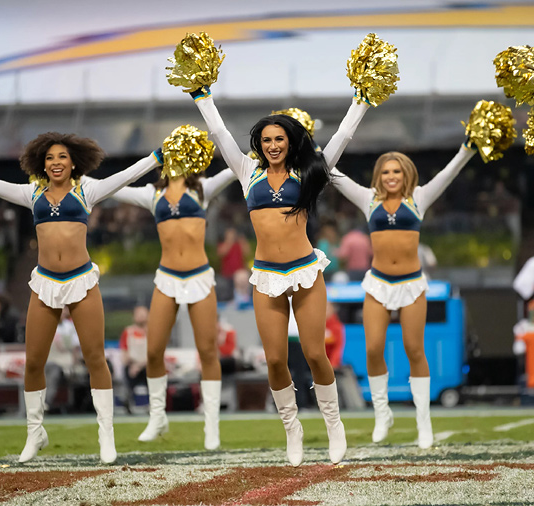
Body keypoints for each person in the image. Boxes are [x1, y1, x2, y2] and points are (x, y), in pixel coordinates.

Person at [0, 131, 163, 464]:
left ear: (73, 161)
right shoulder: (32, 193)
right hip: (45, 283)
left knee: (95, 358)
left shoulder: (86, 189)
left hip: (81, 281)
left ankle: (106, 434)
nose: (56, 163)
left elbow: (123, 177)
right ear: (41, 164)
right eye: (49, 158)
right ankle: (35, 432)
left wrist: (156, 158)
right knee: (33, 361)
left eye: (62, 157)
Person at [187, 78, 368, 465]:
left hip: (304, 271)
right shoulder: (245, 170)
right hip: (266, 275)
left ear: (290, 142)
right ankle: (292, 431)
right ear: (259, 144)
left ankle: (334, 425)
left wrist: (362, 100)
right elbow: (219, 132)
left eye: (279, 140)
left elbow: (342, 137)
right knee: (274, 360)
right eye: (266, 140)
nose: (272, 146)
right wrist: (202, 96)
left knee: (316, 353)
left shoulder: (309, 170)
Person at [331, 145, 476, 447]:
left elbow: (448, 174)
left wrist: (467, 149)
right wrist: (315, 150)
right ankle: (382, 413)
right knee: (372, 349)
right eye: (385, 172)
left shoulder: (418, 198)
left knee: (414, 349)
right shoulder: (368, 199)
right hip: (378, 283)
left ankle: (424, 420)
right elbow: (333, 175)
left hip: (411, 284)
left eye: (396, 171)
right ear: (378, 176)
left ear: (406, 174)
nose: (391, 176)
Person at [107, 164, 236, 450]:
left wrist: (255, 152)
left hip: (199, 276)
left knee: (207, 351)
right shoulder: (152, 194)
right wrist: (80, 178)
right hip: (167, 278)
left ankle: (211, 424)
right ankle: (157, 417)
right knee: (153, 351)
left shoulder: (202, 187)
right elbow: (115, 187)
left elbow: (234, 170)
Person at [119, 306, 149, 413]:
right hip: (132, 365)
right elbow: (124, 351)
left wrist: (140, 366)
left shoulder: (152, 332)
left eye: (143, 314)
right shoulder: (128, 331)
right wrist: (132, 365)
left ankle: (154, 405)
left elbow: (154, 352)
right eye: (138, 314)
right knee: (128, 375)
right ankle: (127, 403)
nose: (141, 316)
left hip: (147, 365)